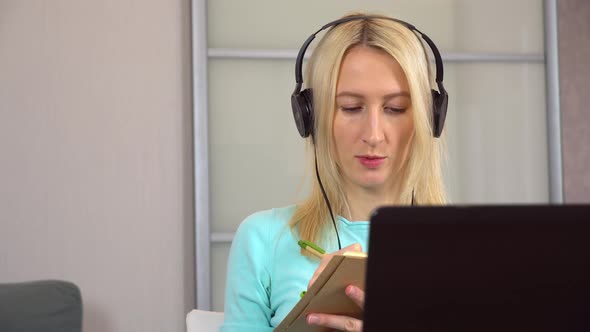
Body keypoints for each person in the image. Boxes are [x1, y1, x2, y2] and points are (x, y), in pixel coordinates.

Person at [220, 12, 448, 332]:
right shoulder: (262, 240)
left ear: (429, 118)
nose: (373, 134)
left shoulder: (466, 252)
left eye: (395, 108)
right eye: (352, 108)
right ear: (312, 117)